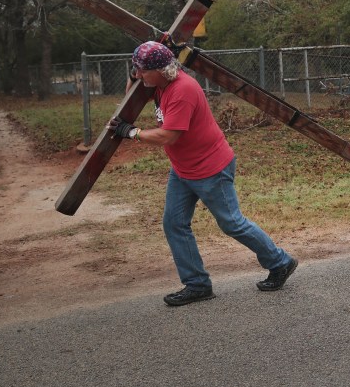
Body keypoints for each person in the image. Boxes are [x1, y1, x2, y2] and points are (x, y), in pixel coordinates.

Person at [109, 41, 297, 307]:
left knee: (232, 223)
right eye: (135, 70)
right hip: (183, 169)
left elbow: (169, 135)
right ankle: (197, 285)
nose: (138, 75)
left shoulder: (182, 89)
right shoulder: (160, 83)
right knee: (174, 223)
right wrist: (133, 75)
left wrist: (132, 133)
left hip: (211, 168)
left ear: (161, 69)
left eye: (141, 70)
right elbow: (134, 96)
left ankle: (281, 262)